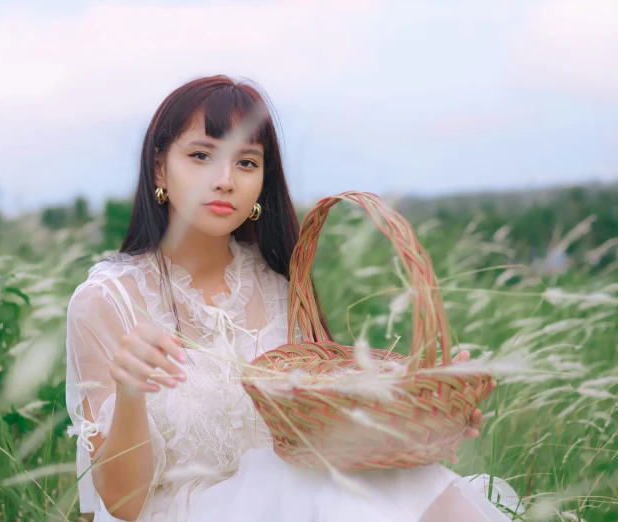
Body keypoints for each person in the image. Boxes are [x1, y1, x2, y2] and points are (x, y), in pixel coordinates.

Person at [65, 75, 524, 521]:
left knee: (403, 481)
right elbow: (122, 504)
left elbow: (322, 437)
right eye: (202, 155)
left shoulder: (282, 288)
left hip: (295, 498)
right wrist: (129, 394)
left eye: (246, 162)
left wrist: (426, 416)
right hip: (184, 510)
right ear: (161, 168)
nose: (225, 179)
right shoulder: (108, 302)